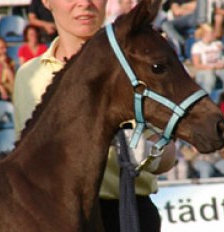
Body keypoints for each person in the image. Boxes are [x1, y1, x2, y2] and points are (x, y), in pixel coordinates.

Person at [13, 0, 177, 231]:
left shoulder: (138, 67)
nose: (85, 3)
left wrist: (150, 153)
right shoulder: (27, 76)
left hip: (126, 213)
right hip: (51, 218)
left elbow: (169, 152)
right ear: (47, 2)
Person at [191, 23, 224, 93]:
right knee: (209, 77)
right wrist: (213, 66)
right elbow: (197, 65)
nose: (213, 35)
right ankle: (208, 96)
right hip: (205, 70)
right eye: (211, 33)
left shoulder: (218, 44)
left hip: (219, 69)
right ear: (204, 34)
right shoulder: (197, 46)